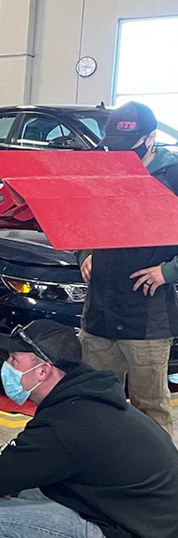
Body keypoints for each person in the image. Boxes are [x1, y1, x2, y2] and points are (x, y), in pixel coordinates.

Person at [0, 319, 178, 538]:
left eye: (15, 359)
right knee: (24, 491)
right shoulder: (90, 400)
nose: (7, 365)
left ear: (43, 371)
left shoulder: (64, 427)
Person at [77, 101, 178, 436]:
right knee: (95, 402)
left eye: (130, 147)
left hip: (146, 316)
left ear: (150, 139)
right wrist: (86, 253)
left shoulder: (173, 174)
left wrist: (169, 271)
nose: (121, 155)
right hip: (100, 312)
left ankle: (162, 484)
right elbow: (80, 222)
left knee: (151, 407)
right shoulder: (104, 171)